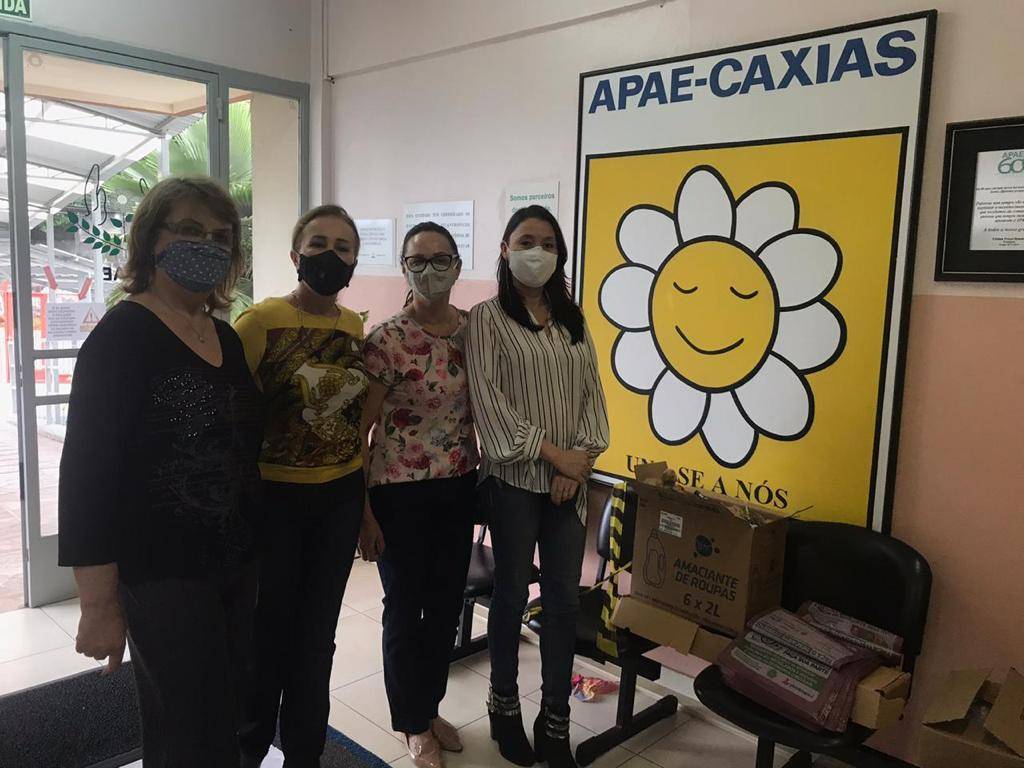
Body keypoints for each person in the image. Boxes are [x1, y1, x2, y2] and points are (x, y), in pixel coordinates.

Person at [59, 176, 263, 767]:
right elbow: (86, 478)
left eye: (221, 237)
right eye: (190, 230)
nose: (208, 246)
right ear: (151, 240)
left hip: (233, 561)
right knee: (188, 728)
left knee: (223, 710)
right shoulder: (121, 338)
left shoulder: (222, 335)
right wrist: (98, 605)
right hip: (162, 573)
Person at [466, 205, 610, 768]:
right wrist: (556, 459)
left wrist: (578, 465)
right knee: (509, 596)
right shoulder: (487, 318)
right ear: (505, 249)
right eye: (526, 241)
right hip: (514, 481)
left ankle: (556, 720)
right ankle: (504, 707)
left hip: (568, 485)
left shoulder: (572, 319)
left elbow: (592, 396)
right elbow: (490, 403)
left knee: (563, 602)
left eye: (549, 243)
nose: (538, 252)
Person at [234, 205, 368, 768]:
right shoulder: (259, 323)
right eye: (318, 244)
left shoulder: (353, 327)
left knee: (317, 639)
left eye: (343, 247)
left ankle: (305, 754)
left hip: (338, 500)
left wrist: (365, 512)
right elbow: (231, 420)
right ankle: (248, 749)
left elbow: (354, 422)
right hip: (274, 502)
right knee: (268, 634)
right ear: (295, 254)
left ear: (354, 261)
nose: (329, 256)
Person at [357, 222, 479, 768]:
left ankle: (428, 708)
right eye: (417, 260)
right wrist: (363, 513)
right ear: (404, 268)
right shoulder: (385, 340)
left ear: (457, 265)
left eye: (440, 259)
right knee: (406, 609)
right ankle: (410, 722)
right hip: (398, 493)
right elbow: (360, 431)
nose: (430, 270)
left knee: (446, 604)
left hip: (457, 487)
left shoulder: (473, 332)